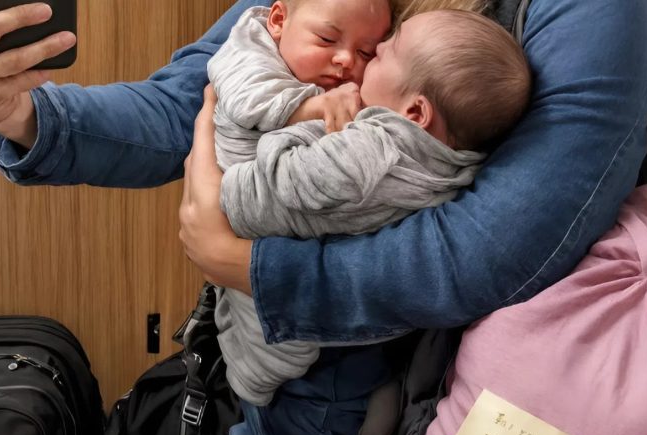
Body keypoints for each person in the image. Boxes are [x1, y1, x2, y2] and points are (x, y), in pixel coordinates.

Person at [0, 1, 647, 435]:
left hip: (450, 416)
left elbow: (494, 249)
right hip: (290, 391)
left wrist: (251, 265)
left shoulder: (593, 15)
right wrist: (29, 115)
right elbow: (202, 96)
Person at [209, 6, 530, 407]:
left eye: (378, 52)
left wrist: (296, 122)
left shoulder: (373, 149)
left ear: (415, 112)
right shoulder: (453, 165)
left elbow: (262, 191)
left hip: (286, 347)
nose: (361, 59)